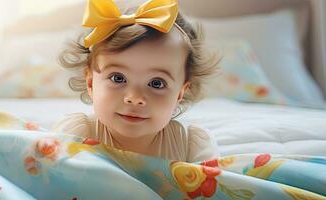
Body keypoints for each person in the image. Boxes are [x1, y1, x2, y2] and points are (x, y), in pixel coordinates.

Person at [54, 0, 220, 162]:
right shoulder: (76, 134)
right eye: (118, 78)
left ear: (180, 94)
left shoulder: (191, 145)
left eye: (157, 83)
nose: (135, 98)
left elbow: (216, 186)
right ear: (91, 83)